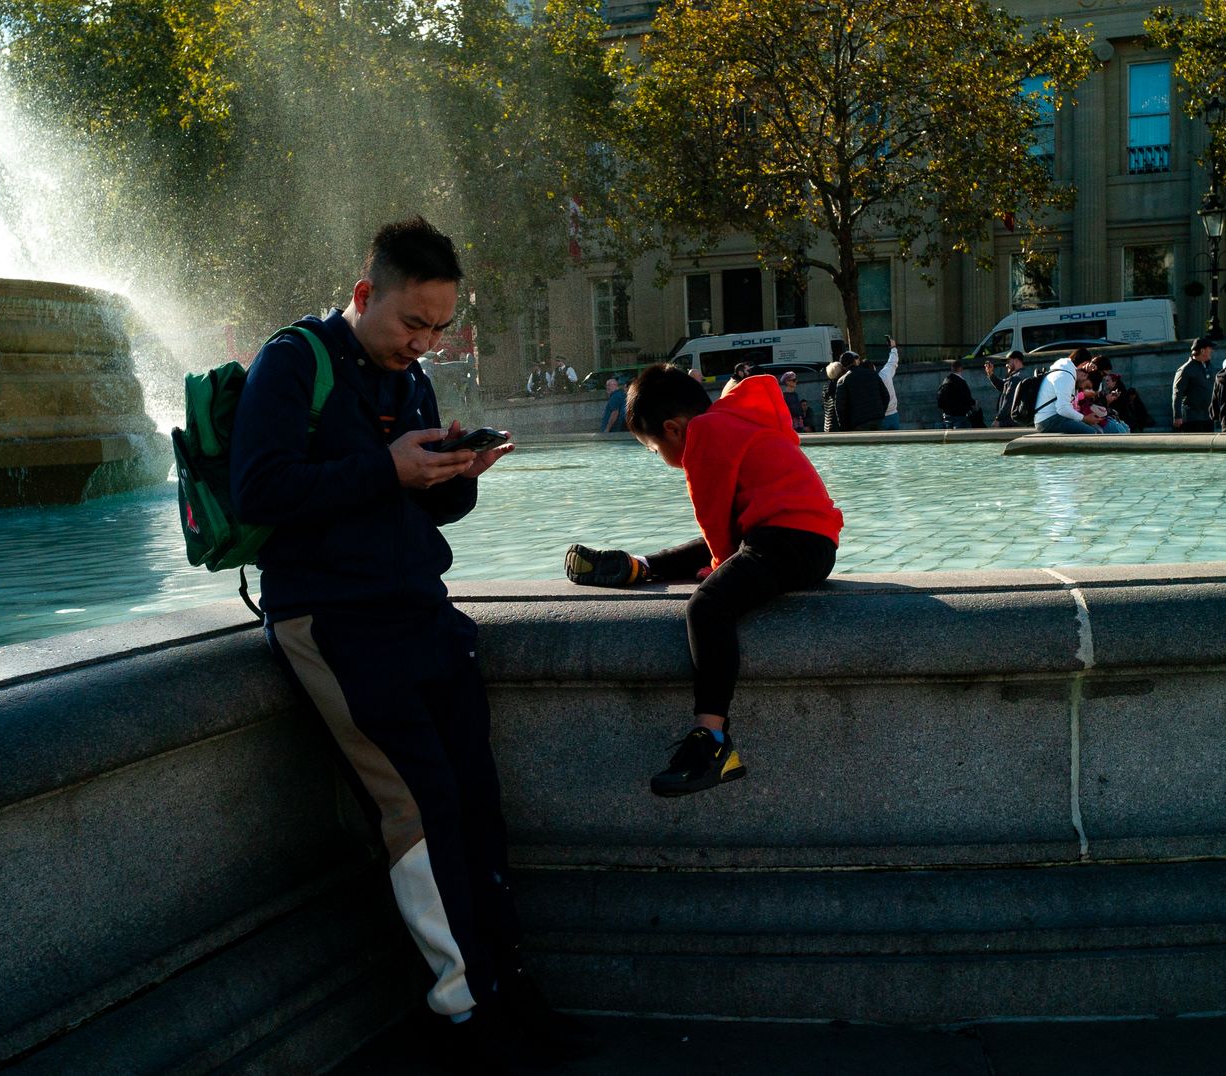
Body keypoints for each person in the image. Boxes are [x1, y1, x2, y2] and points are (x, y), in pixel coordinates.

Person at [229, 217, 593, 1068]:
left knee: (474, 805)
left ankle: (507, 985)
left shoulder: (412, 380)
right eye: (413, 324)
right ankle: (468, 1015)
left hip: (419, 612)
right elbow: (259, 490)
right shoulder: (293, 362)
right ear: (365, 297)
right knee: (421, 813)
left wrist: (454, 478)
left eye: (439, 327)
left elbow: (420, 508)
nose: (425, 343)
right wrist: (388, 469)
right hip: (335, 622)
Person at [562, 364, 842, 796]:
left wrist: (719, 566)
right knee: (717, 548)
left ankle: (711, 740)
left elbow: (711, 511)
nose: (661, 457)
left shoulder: (706, 434)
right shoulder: (734, 419)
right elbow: (729, 523)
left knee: (708, 606)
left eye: (654, 449)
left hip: (791, 540)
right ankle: (640, 566)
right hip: (801, 535)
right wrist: (720, 556)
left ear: (673, 430)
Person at [1032, 347, 1102, 434]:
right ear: (1084, 363)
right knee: (1090, 432)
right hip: (1048, 420)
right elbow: (1063, 408)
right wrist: (1085, 418)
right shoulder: (1065, 376)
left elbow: (1096, 389)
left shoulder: (1065, 371)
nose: (1086, 375)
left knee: (1095, 430)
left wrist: (1094, 369)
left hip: (1049, 418)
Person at [834, 350, 888, 431]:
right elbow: (886, 395)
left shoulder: (843, 381)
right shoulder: (872, 373)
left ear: (843, 366)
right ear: (854, 361)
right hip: (877, 418)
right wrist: (881, 412)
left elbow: (840, 407)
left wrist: (844, 427)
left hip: (858, 422)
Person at [1171, 337, 1216, 433]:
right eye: (1209, 348)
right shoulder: (1185, 369)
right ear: (1202, 350)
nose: (1211, 350)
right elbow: (1177, 393)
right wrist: (1177, 416)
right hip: (1193, 418)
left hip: (1208, 417)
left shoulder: (1210, 367)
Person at [985, 350, 1029, 427]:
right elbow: (1002, 386)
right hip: (1017, 420)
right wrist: (990, 374)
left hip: (1011, 421)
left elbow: (1008, 401)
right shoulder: (1020, 375)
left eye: (1008, 362)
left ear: (1016, 361)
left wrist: (998, 419)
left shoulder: (1016, 378)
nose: (1006, 365)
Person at [937, 359, 976, 428]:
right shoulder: (961, 382)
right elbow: (966, 398)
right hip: (960, 414)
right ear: (961, 368)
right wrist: (974, 403)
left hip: (947, 414)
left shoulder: (945, 381)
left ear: (952, 368)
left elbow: (940, 398)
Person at [878, 336, 902, 429]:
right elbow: (892, 362)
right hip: (893, 414)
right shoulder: (885, 374)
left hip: (880, 416)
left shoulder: (867, 382)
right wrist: (893, 348)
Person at [821, 360, 843, 432]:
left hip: (827, 424)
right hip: (837, 424)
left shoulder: (826, 386)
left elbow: (824, 406)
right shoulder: (839, 386)